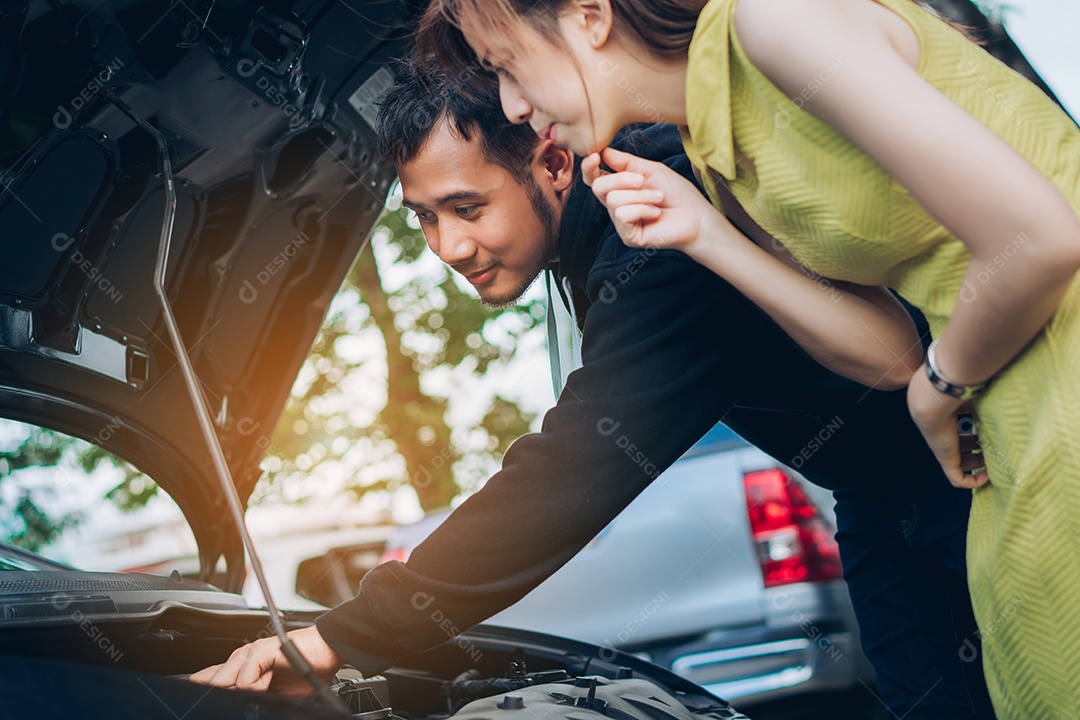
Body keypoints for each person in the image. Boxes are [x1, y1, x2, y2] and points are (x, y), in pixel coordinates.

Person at [192, 58, 996, 718]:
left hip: (979, 473)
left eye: (467, 207)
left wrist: (342, 637)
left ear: (551, 162)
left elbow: (570, 473)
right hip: (878, 498)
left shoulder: (655, 231)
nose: (450, 245)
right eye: (425, 218)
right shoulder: (604, 228)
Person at [418, 0, 1080, 716]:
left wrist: (941, 385)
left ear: (589, 14)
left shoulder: (772, 22)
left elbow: (1042, 239)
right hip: (1004, 427)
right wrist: (709, 235)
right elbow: (890, 355)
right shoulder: (709, 144)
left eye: (509, 66)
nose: (513, 105)